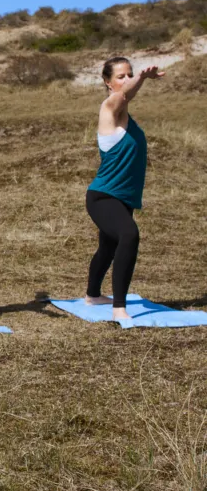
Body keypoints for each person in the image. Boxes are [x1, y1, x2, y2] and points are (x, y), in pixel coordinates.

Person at [84, 57, 163, 321]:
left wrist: (137, 80)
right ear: (107, 82)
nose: (126, 80)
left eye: (129, 74)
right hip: (103, 196)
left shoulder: (126, 113)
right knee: (129, 234)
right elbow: (122, 97)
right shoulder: (109, 107)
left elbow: (127, 97)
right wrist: (140, 78)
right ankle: (119, 307)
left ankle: (93, 295)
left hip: (123, 199)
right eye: (121, 76)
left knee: (108, 246)